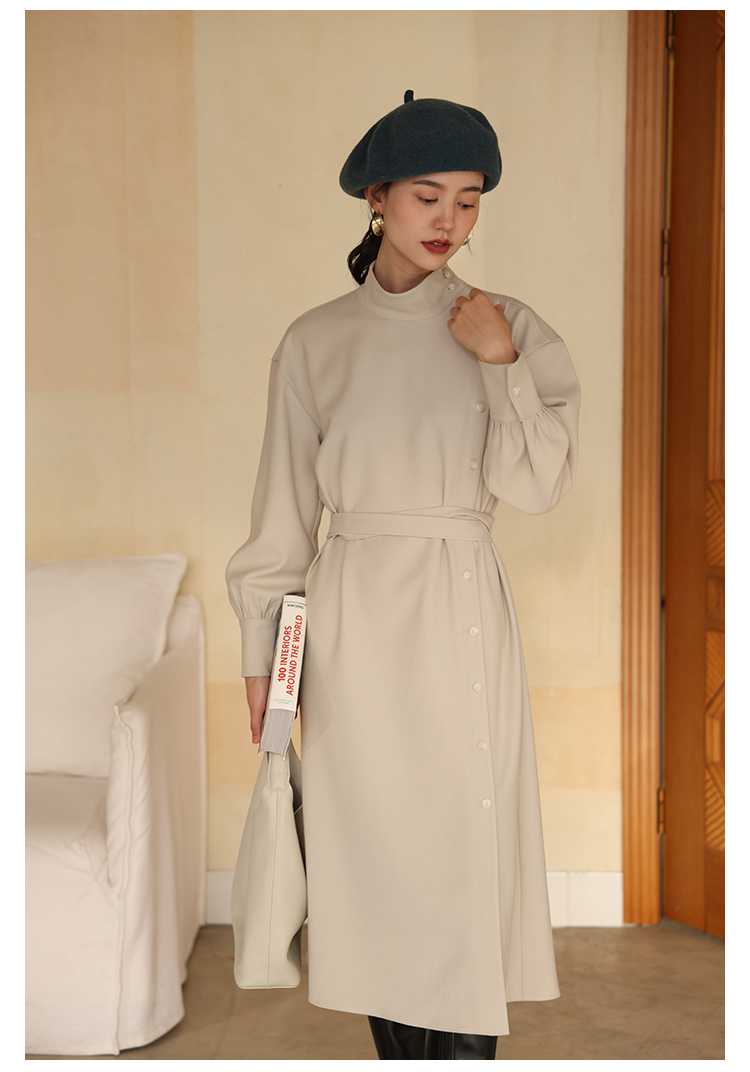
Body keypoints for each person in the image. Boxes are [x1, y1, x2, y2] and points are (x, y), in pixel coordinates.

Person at [226, 90, 580, 1060]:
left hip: (463, 610)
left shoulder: (509, 326)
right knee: (372, 857)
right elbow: (282, 523)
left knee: (463, 847)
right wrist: (267, 669)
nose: (449, 221)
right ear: (376, 198)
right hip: (351, 630)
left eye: (469, 200)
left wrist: (501, 361)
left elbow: (539, 484)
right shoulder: (314, 341)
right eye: (428, 196)